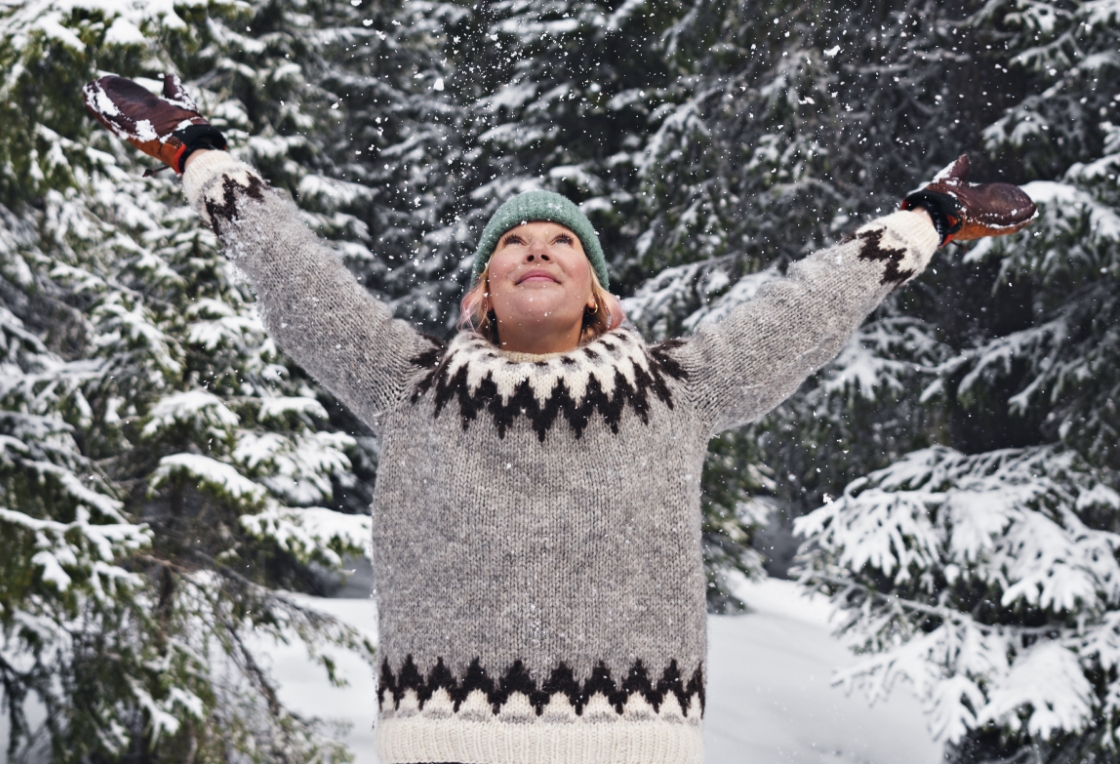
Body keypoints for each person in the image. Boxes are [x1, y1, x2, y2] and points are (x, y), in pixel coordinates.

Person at [83, 74, 1036, 764]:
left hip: (635, 743)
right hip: (438, 739)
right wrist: (195, 148)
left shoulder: (677, 391)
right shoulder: (406, 383)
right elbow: (297, 274)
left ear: (600, 297)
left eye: (561, 244)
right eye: (513, 245)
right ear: (480, 296)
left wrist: (927, 219)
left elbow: (807, 309)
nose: (537, 251)